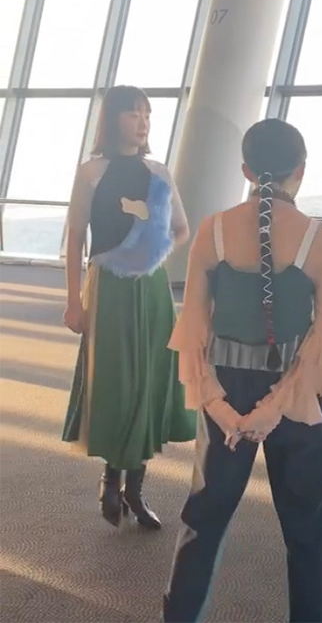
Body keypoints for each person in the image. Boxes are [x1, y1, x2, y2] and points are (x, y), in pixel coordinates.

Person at [163, 118, 322, 623]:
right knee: (311, 528)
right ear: (301, 171)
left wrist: (220, 407)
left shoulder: (213, 230)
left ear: (245, 170)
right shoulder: (321, 240)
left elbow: (192, 332)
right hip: (301, 397)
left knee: (203, 520)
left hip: (225, 387)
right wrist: (273, 409)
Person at [62, 85, 195, 529]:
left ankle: (136, 488)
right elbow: (75, 239)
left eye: (147, 114)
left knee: (150, 381)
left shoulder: (159, 172)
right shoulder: (91, 172)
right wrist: (73, 302)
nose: (143, 122)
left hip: (151, 288)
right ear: (112, 118)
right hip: (108, 287)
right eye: (133, 113)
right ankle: (111, 477)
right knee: (116, 380)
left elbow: (181, 228)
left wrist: (152, 255)